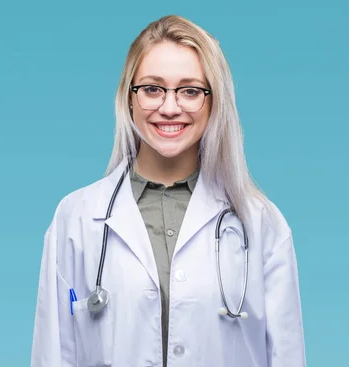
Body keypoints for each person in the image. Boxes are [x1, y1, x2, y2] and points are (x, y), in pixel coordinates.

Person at [30, 14, 305, 367]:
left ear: (213, 101)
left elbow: (287, 356)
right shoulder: (78, 217)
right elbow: (54, 354)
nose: (170, 107)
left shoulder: (261, 223)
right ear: (129, 98)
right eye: (152, 89)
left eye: (190, 90)